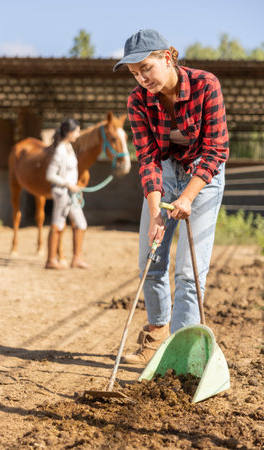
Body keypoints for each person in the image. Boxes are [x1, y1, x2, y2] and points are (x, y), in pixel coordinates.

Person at [113, 29, 229, 364]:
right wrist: (155, 211)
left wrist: (188, 196)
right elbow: (147, 158)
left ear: (168, 56)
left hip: (203, 178)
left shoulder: (207, 85)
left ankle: (178, 352)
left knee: (188, 274)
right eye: (135, 73)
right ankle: (157, 335)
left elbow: (216, 149)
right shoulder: (138, 101)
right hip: (164, 173)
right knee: (150, 262)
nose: (141, 78)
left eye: (146, 67)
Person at [45, 118, 89, 270]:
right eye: (77, 131)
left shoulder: (69, 147)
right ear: (69, 132)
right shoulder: (60, 151)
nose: (78, 134)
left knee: (81, 223)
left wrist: (75, 187)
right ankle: (51, 260)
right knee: (58, 224)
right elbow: (50, 175)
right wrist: (68, 184)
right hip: (62, 193)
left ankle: (76, 258)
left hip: (71, 194)